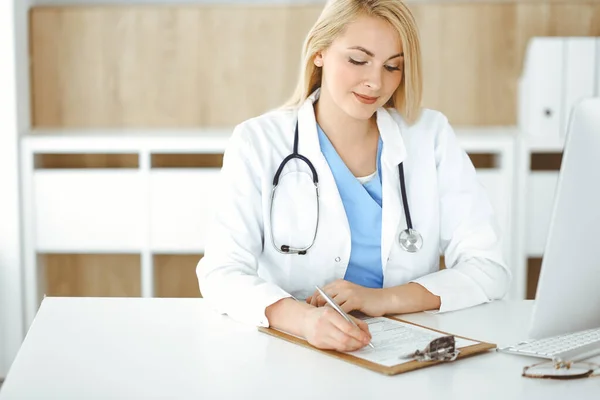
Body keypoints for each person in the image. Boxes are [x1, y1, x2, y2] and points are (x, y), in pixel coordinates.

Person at [197, 0, 511, 353]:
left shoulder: (430, 136)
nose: (375, 82)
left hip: (406, 351)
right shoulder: (259, 142)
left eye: (392, 67)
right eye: (358, 60)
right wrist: (304, 321)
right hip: (294, 351)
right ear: (320, 52)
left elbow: (487, 269)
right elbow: (221, 273)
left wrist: (383, 299)